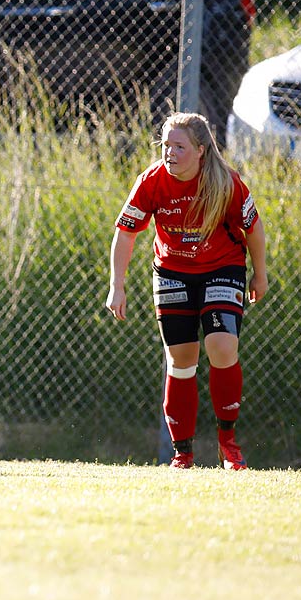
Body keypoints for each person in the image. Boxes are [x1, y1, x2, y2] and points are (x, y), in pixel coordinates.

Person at [106, 113, 268, 469]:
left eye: (179, 146)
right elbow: (126, 232)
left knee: (221, 346)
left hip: (221, 267)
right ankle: (183, 453)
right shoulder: (151, 181)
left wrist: (260, 274)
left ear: (200, 150)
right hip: (172, 272)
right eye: (166, 145)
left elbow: (253, 228)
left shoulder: (226, 182)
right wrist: (117, 286)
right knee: (181, 359)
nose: (170, 153)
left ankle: (229, 444)